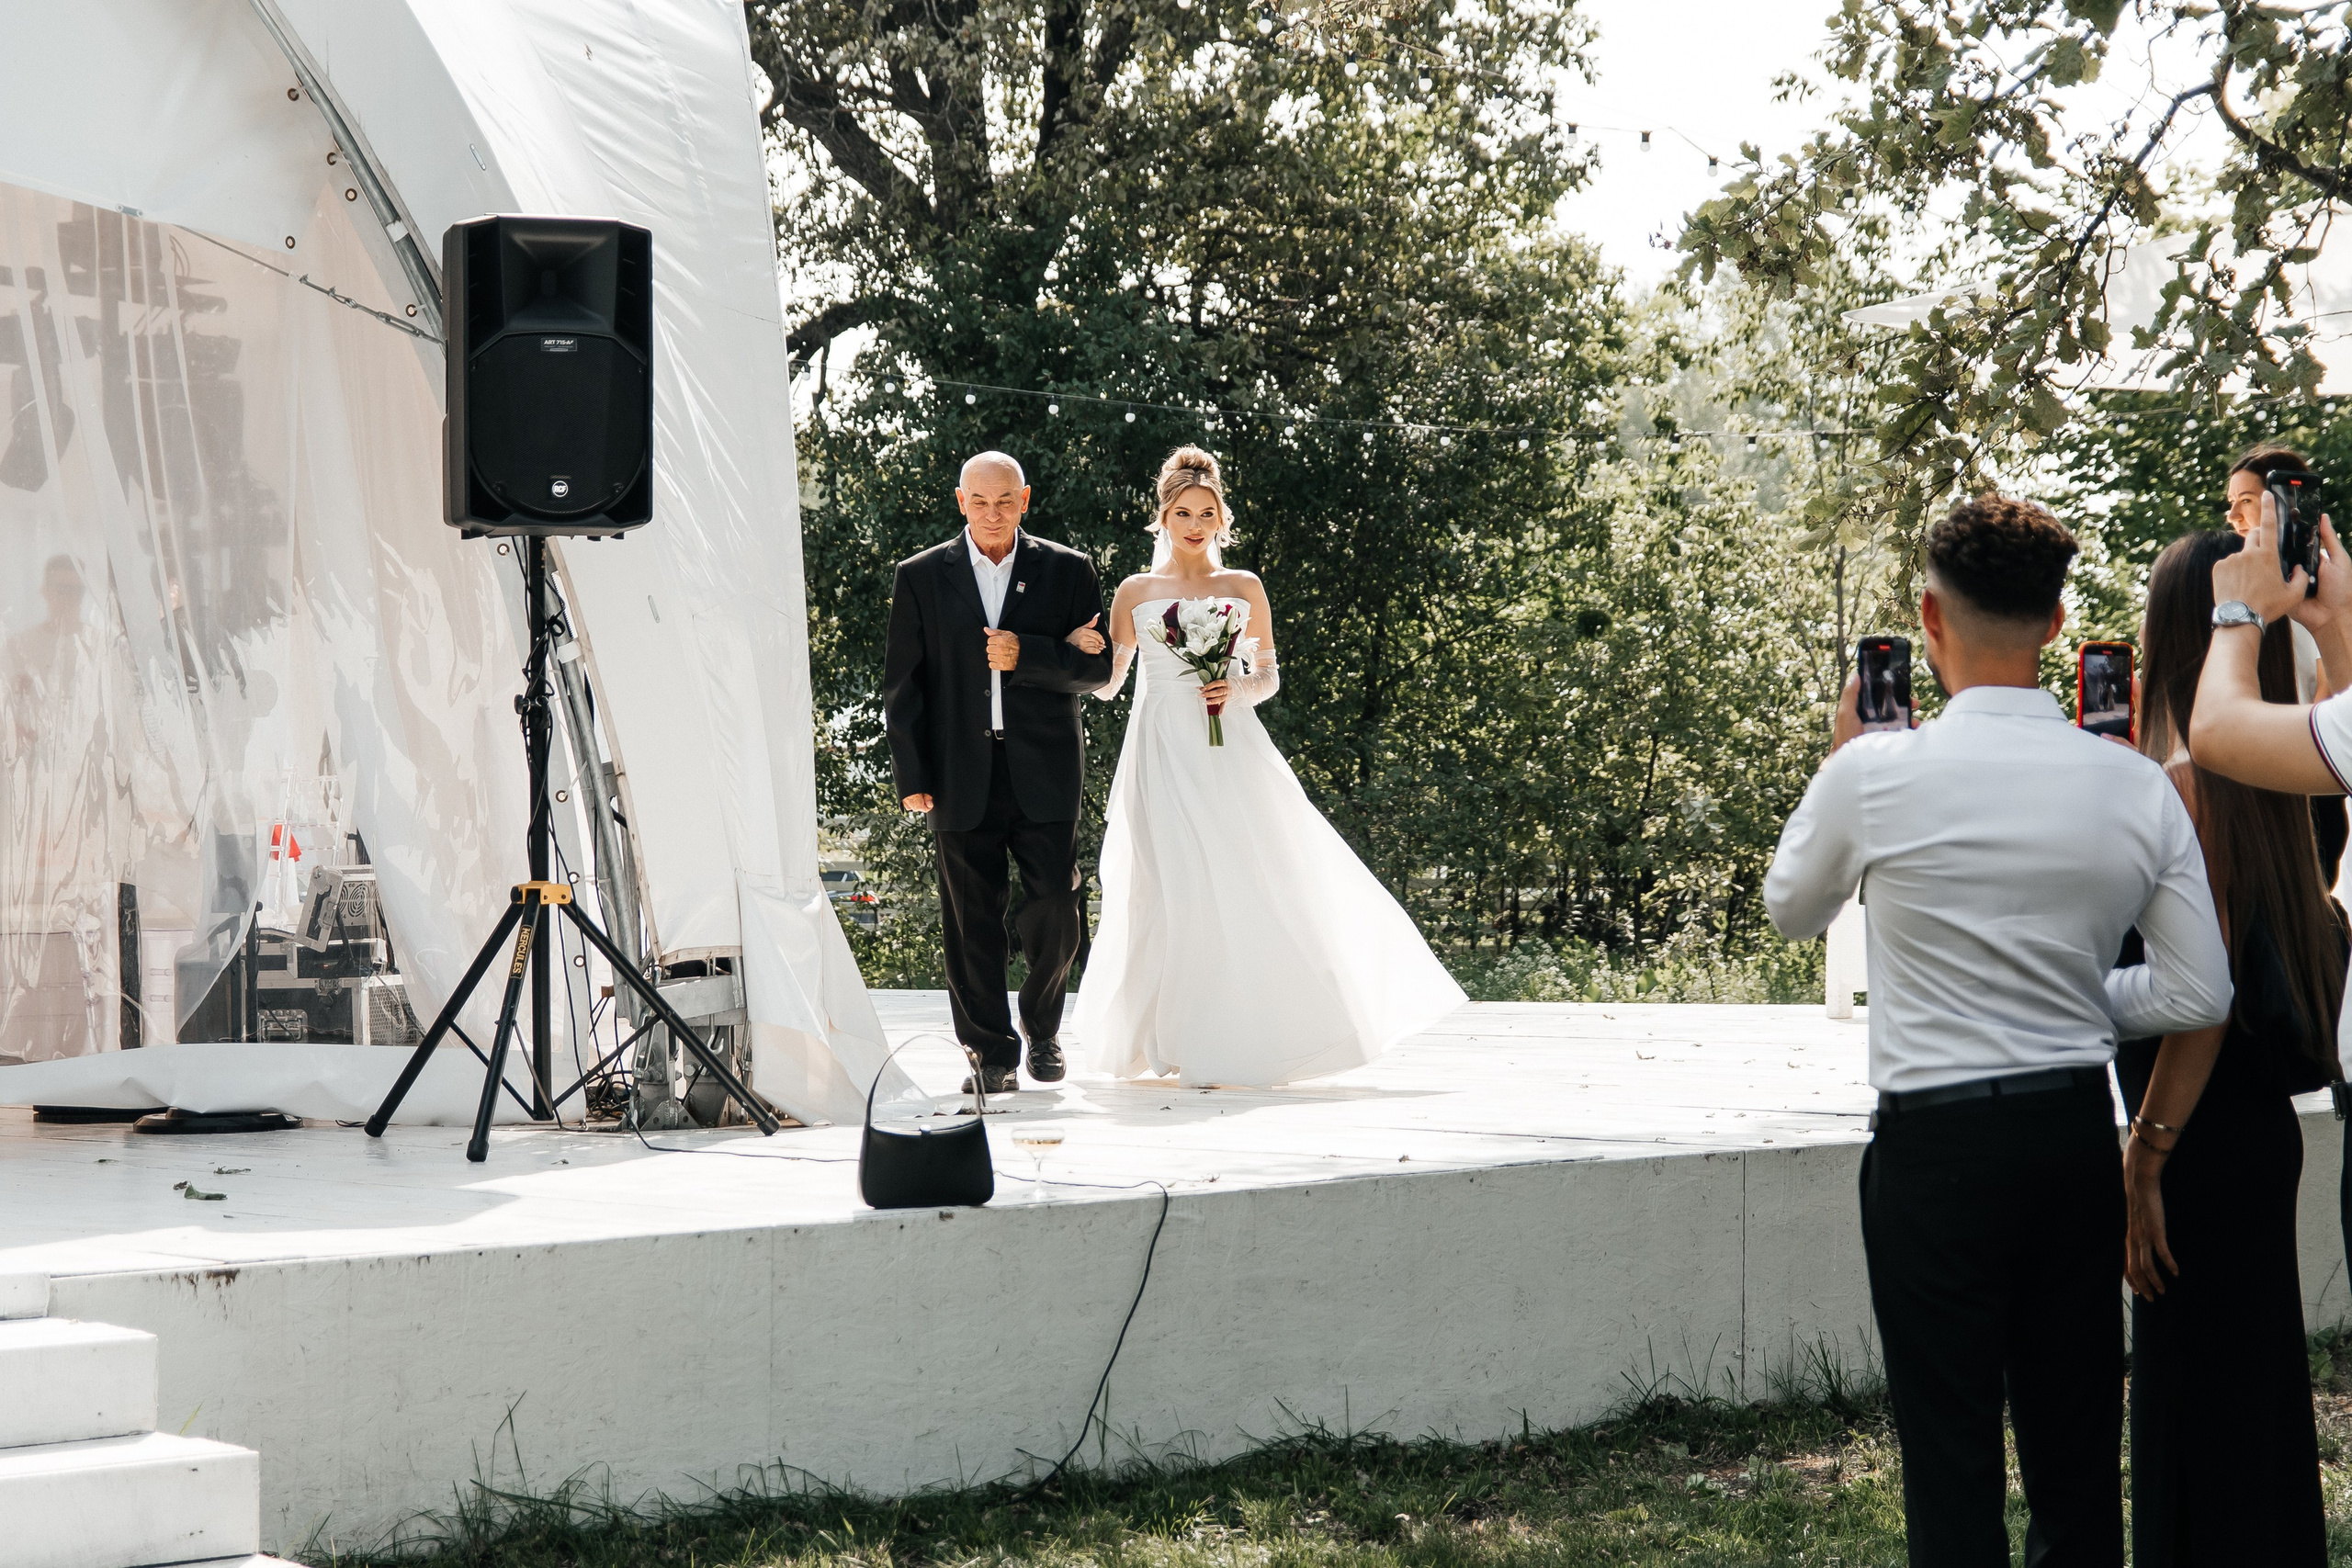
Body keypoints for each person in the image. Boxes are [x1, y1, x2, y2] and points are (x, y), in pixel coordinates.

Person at [1765, 495, 2233, 1568]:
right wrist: (2071, 999)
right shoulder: (2131, 785)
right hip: (2073, 1142)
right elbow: (2197, 992)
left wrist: (1837, 758)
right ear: (2060, 625)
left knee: (1949, 1458)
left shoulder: (1872, 775)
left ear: (1927, 619)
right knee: (2075, 1460)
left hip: (1932, 1153)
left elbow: (1792, 910)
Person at [1063, 447, 1464, 1086]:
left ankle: (1234, 1034)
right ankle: (1164, 1039)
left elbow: (1269, 679)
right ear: (1161, 517)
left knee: (1242, 875)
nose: (1195, 524)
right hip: (1160, 750)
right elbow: (1110, 685)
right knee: (1167, 885)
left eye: (1207, 513)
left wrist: (1235, 688)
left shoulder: (1243, 587)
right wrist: (1079, 648)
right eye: (1183, 512)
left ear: (1221, 519)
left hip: (1229, 749)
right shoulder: (1135, 592)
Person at [2116, 529, 2335, 1565]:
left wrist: (2146, 1153)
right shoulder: (2279, 782)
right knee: (2253, 1410)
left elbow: (2198, 1001)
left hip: (2197, 1141)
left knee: (2194, 1417)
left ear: (2166, 639)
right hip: (2262, 1137)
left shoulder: (2182, 783)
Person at [881, 452, 1112, 1094]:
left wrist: (1026, 654)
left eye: (1004, 500)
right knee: (970, 921)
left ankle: (1042, 1029)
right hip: (957, 775)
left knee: (1056, 910)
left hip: (1046, 769)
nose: (992, 513)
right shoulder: (922, 576)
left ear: (1025, 499)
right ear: (961, 501)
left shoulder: (1067, 570)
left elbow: (1096, 671)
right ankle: (991, 1053)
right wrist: (911, 774)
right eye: (979, 501)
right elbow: (904, 686)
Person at [2224, 444, 2347, 886]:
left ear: (2281, 502)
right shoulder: (2235, 585)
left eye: (2246, 501)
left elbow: (2330, 687)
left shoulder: (2322, 582)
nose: (2232, 514)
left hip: (2310, 766)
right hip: (2248, 769)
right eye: (2230, 503)